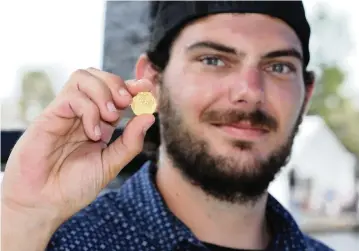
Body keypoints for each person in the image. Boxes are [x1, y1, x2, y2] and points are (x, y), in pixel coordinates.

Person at [1, 1, 334, 251]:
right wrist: (22, 219)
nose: (249, 90)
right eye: (213, 60)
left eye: (278, 66)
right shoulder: (54, 241)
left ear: (305, 96)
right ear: (153, 82)